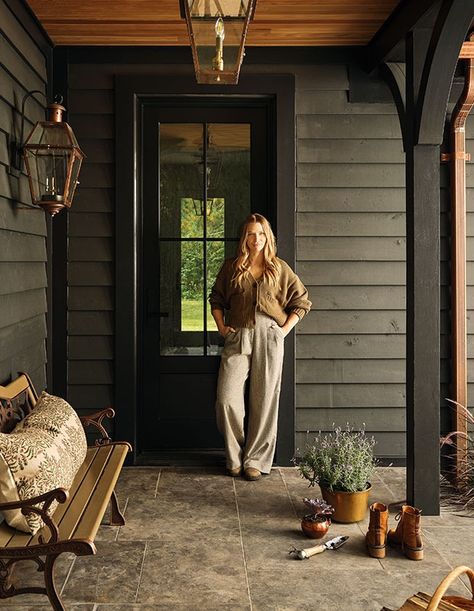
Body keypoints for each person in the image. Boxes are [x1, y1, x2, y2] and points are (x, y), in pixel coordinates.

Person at [209, 213, 311, 481]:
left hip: (269, 335)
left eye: (262, 234)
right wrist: (221, 327)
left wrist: (283, 331)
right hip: (238, 335)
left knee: (265, 399)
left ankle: (255, 460)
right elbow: (217, 298)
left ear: (268, 238)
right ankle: (234, 455)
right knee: (226, 400)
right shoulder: (231, 267)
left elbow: (302, 302)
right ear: (245, 238)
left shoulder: (279, 268)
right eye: (251, 234)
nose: (257, 239)